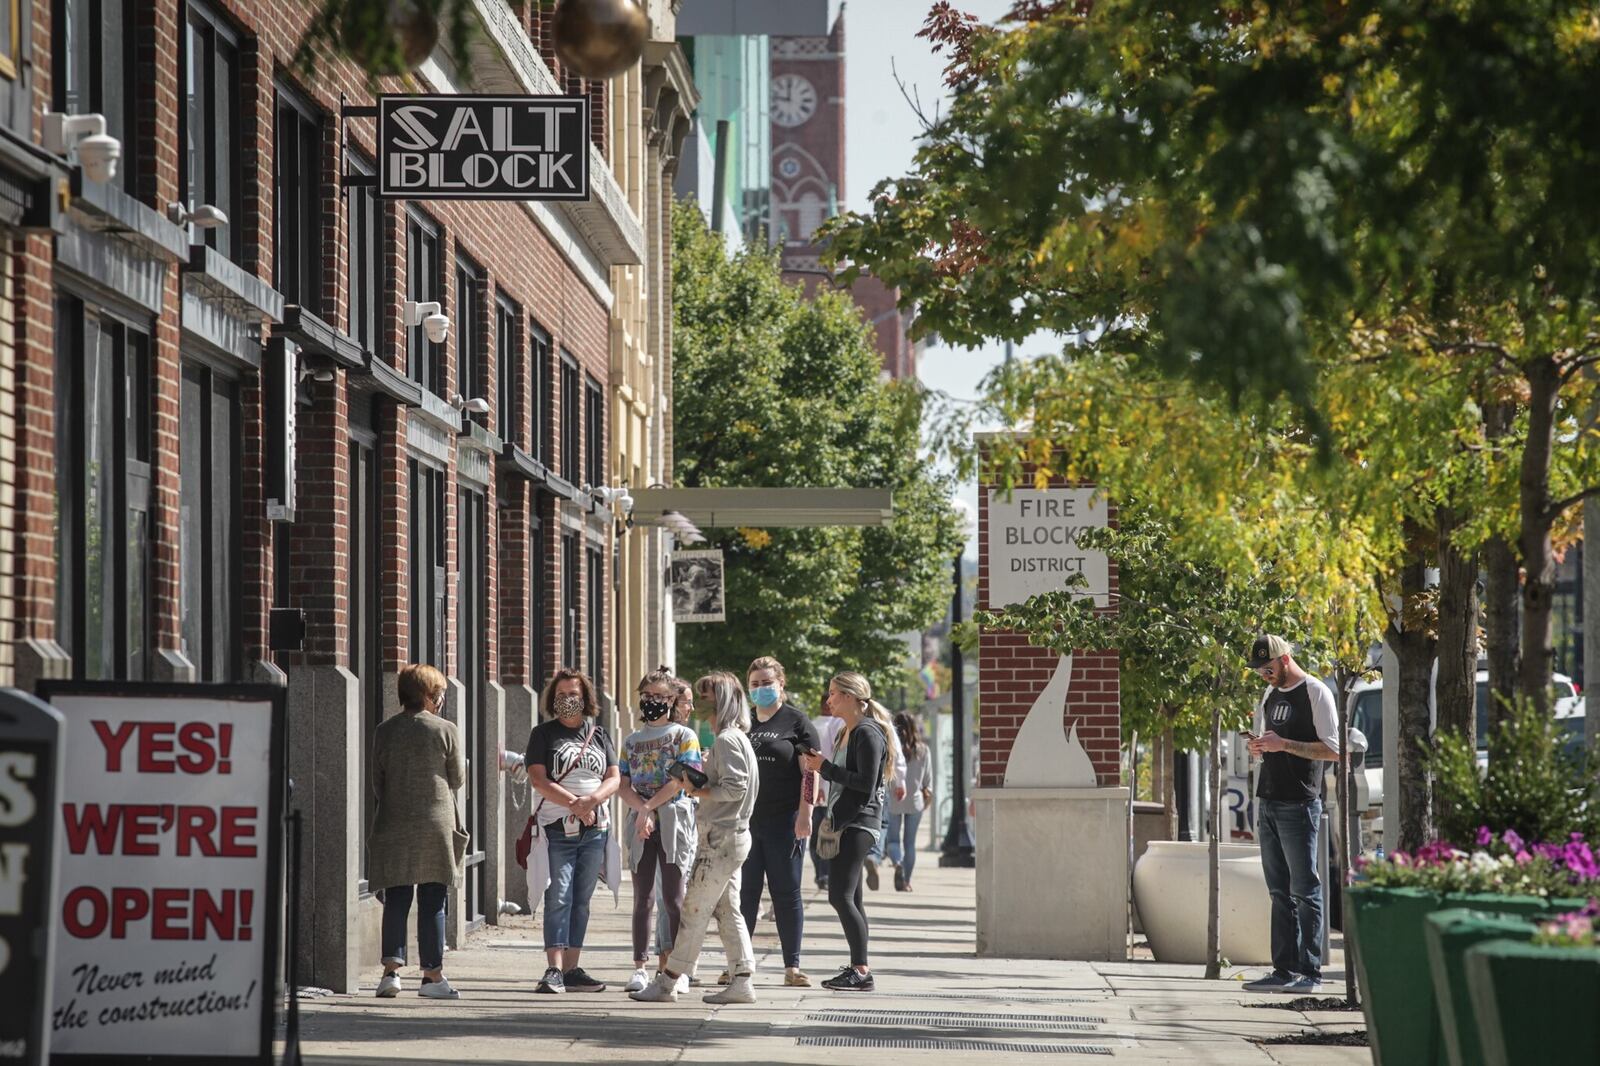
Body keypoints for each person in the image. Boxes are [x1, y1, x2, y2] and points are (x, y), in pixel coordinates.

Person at [631, 672, 761, 1004]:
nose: (697, 704)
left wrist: (696, 788)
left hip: (722, 839)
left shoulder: (727, 740)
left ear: (721, 701)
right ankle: (742, 978)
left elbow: (735, 787)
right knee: (728, 909)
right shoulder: (732, 738)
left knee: (693, 909)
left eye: (704, 697)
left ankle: (669, 980)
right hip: (728, 837)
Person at [1242, 635, 1340, 995]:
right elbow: (1271, 746)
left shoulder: (1315, 692)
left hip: (1299, 803)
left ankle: (1310, 971)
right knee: (1278, 891)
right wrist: (1259, 747)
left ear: (1285, 659)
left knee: (1304, 889)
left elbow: (1333, 750)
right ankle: (1282, 969)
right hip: (1267, 799)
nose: (1263, 675)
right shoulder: (1269, 696)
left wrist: (1284, 744)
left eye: (1267, 667)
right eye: (1258, 670)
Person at [368, 664, 468, 1000]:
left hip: (394, 819)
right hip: (436, 824)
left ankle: (391, 973)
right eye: (439, 691)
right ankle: (432, 976)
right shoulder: (445, 729)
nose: (441, 698)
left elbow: (377, 783)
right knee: (433, 899)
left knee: (396, 897)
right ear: (429, 695)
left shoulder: (385, 731)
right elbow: (456, 779)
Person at [799, 671, 897, 992]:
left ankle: (861, 969)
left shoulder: (867, 733)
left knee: (839, 895)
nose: (829, 700)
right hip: (848, 821)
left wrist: (824, 767)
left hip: (860, 822)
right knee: (852, 896)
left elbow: (865, 784)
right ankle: (859, 967)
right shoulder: (848, 732)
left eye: (834, 694)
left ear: (852, 698)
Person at [525, 668, 621, 995]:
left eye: (575, 694)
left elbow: (614, 777)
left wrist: (592, 800)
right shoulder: (543, 734)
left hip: (594, 830)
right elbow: (538, 779)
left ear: (586, 699)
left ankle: (572, 969)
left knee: (581, 900)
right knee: (558, 895)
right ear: (553, 698)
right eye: (563, 694)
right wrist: (575, 803)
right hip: (556, 828)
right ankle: (552, 968)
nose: (569, 699)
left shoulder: (599, 735)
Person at [737, 656, 820, 986]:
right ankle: (740, 963)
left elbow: (811, 773)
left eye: (767, 683)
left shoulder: (797, 722)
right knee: (745, 894)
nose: (761, 689)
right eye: (755, 684)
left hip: (785, 820)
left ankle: (792, 967)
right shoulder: (743, 723)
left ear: (781, 684)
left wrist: (806, 814)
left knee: (787, 891)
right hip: (746, 821)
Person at [619, 667, 701, 994]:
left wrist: (649, 807)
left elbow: (681, 779)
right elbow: (623, 782)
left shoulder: (684, 736)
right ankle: (640, 966)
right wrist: (642, 810)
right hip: (641, 819)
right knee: (643, 898)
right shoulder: (632, 740)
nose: (653, 702)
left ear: (672, 700)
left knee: (673, 896)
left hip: (673, 817)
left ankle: (678, 969)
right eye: (647, 696)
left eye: (660, 697)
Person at [887, 713, 933, 892]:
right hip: (915, 801)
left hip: (894, 799)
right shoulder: (923, 750)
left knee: (892, 840)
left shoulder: (891, 749)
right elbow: (928, 779)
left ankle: (897, 862)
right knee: (910, 844)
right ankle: (905, 881)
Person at [861, 726, 907, 892]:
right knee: (882, 823)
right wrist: (900, 782)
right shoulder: (883, 724)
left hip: (853, 780)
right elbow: (897, 755)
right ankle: (873, 855)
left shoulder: (848, 720)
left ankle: (858, 863)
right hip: (881, 782)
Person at [809, 692, 845, 890]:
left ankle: (821, 873)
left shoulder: (813, 725)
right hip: (833, 788)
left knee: (816, 836)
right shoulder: (838, 725)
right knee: (831, 834)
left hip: (817, 789)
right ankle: (828, 873)